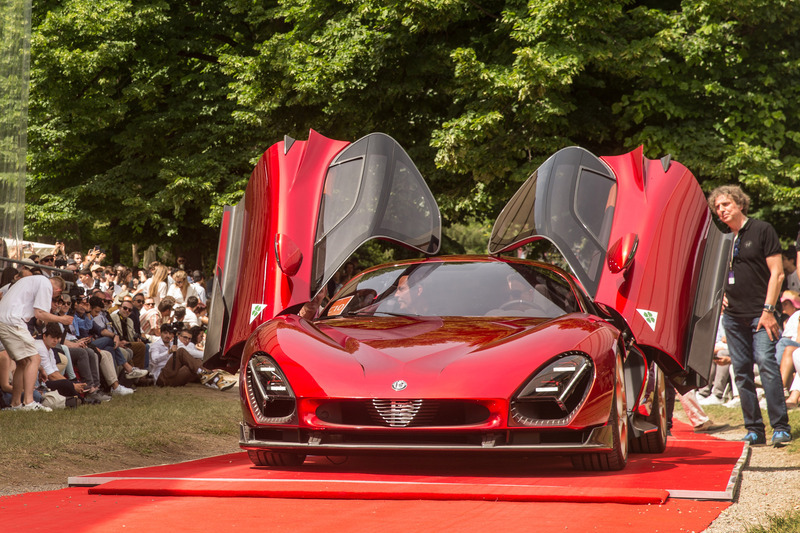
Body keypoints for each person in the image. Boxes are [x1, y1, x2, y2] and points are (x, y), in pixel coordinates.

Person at [709, 185, 791, 447]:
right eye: (717, 207)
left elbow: (778, 273)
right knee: (741, 371)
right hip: (733, 316)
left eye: (726, 204)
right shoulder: (723, 238)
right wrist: (720, 294)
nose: (721, 210)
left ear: (740, 204)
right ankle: (754, 429)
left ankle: (781, 427)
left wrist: (768, 310)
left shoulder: (762, 229)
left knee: (766, 363)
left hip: (761, 314)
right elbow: (717, 274)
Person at [0, 275, 74, 411]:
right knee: (35, 358)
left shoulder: (33, 280)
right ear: (58, 290)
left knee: (23, 362)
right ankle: (28, 402)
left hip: (5, 319)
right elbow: (40, 313)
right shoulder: (45, 284)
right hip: (12, 321)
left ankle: (16, 403)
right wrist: (61, 319)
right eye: (57, 297)